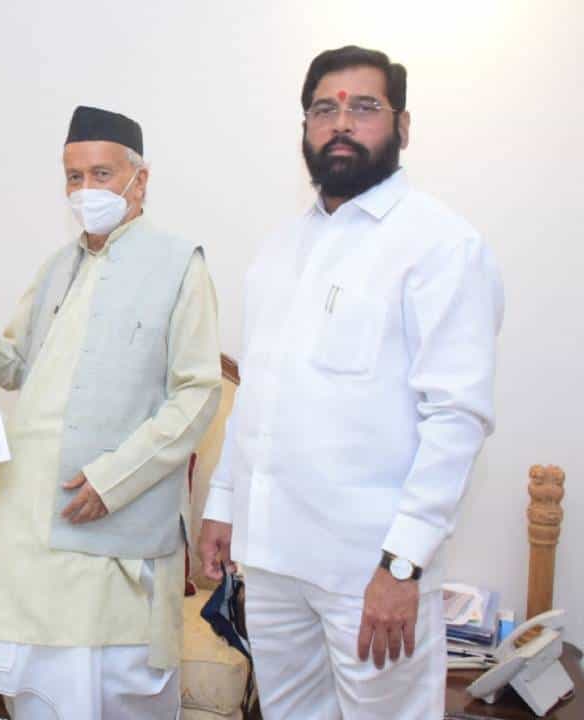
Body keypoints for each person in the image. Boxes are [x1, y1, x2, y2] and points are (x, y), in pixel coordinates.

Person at [199, 45, 504, 719]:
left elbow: (456, 419)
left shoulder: (441, 246)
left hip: (369, 570)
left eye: (364, 107)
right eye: (323, 110)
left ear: (402, 126)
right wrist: (223, 502)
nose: (341, 123)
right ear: (305, 129)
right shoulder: (279, 250)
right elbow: (258, 394)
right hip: (273, 560)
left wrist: (404, 566)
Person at [0, 105, 222, 719]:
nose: (86, 189)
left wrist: (113, 479)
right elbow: (17, 366)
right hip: (28, 523)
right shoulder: (57, 267)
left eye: (101, 174)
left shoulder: (180, 264)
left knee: (113, 694)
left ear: (139, 180)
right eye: (74, 176)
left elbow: (198, 392)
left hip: (108, 519)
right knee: (38, 699)